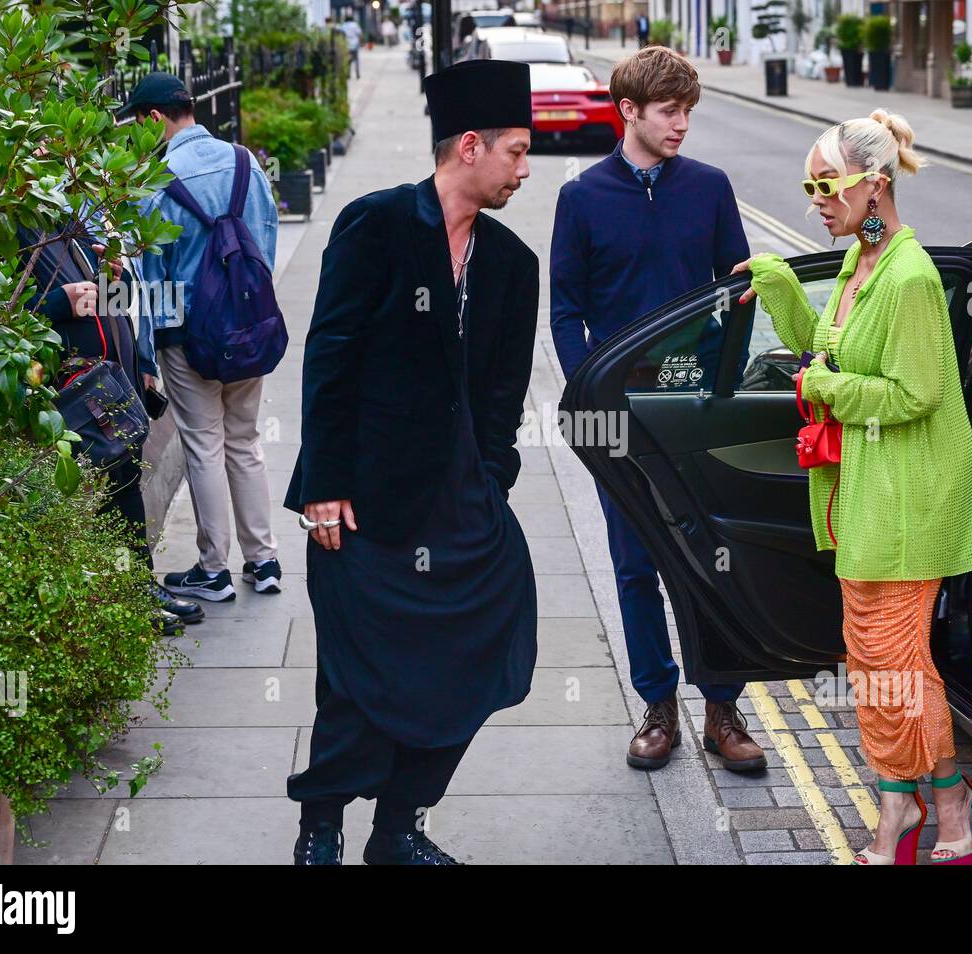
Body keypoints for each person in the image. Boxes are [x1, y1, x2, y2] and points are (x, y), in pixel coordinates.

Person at [283, 58, 539, 866]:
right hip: (365, 502)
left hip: (465, 509)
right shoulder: (379, 225)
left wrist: (493, 481)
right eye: (518, 153)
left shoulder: (513, 265)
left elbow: (503, 396)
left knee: (487, 659)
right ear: (471, 146)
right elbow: (329, 358)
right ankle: (320, 824)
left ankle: (398, 825)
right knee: (356, 682)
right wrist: (322, 484)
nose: (526, 170)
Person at [734, 109, 972, 865]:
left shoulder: (909, 277)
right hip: (869, 487)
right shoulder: (857, 262)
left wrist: (828, 390)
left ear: (874, 187)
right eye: (809, 187)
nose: (817, 200)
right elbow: (830, 346)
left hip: (911, 494)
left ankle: (938, 810)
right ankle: (920, 804)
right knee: (874, 659)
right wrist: (781, 284)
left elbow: (916, 393)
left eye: (826, 186)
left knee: (897, 661)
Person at [550, 47, 766, 775]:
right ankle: (658, 706)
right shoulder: (581, 198)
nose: (681, 124)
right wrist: (590, 392)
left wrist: (724, 387)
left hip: (695, 410)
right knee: (636, 565)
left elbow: (739, 292)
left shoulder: (709, 188)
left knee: (715, 559)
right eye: (670, 111)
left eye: (688, 112)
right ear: (629, 112)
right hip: (620, 414)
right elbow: (565, 309)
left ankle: (723, 708)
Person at [124, 73, 283, 603]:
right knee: (245, 439)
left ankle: (214, 570)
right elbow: (264, 241)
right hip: (247, 328)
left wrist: (149, 349)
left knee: (204, 445)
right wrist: (246, 310)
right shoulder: (244, 161)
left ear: (153, 119)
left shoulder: (156, 181)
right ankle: (263, 561)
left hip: (187, 334)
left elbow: (152, 275)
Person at [16, 220, 205, 636]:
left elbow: (120, 300)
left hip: (114, 381)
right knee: (99, 495)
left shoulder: (67, 215)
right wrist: (57, 305)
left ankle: (138, 588)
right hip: (71, 393)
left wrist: (142, 361)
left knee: (124, 486)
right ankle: (122, 599)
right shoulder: (12, 219)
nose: (46, 150)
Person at [340, 12, 361, 78]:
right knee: (356, 59)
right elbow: (359, 33)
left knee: (347, 60)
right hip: (355, 44)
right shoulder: (355, 25)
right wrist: (361, 41)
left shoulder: (343, 25)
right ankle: (357, 72)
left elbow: (341, 35)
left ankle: (348, 73)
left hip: (346, 44)